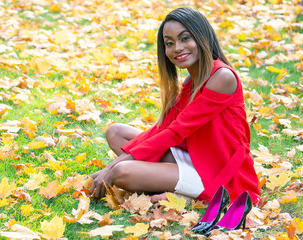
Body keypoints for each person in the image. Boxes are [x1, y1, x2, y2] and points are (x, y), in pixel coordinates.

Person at [89, 7, 260, 204]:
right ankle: (175, 185)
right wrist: (109, 167)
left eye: (185, 38)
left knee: (121, 172)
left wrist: (114, 167)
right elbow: (162, 129)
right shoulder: (191, 81)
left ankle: (193, 195)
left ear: (202, 36)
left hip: (218, 169)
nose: (177, 48)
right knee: (115, 132)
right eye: (169, 43)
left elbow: (177, 131)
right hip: (192, 156)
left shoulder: (222, 77)